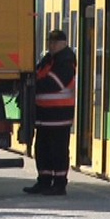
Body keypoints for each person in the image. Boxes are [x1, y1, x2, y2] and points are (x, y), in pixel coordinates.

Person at [23, 29, 76, 196]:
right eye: (49, 42)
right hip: (45, 115)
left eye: (55, 42)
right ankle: (44, 181)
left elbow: (55, 82)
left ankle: (59, 183)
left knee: (58, 150)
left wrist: (34, 85)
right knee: (43, 149)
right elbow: (37, 74)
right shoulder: (49, 58)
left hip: (59, 115)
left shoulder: (66, 60)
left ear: (64, 43)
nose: (51, 45)